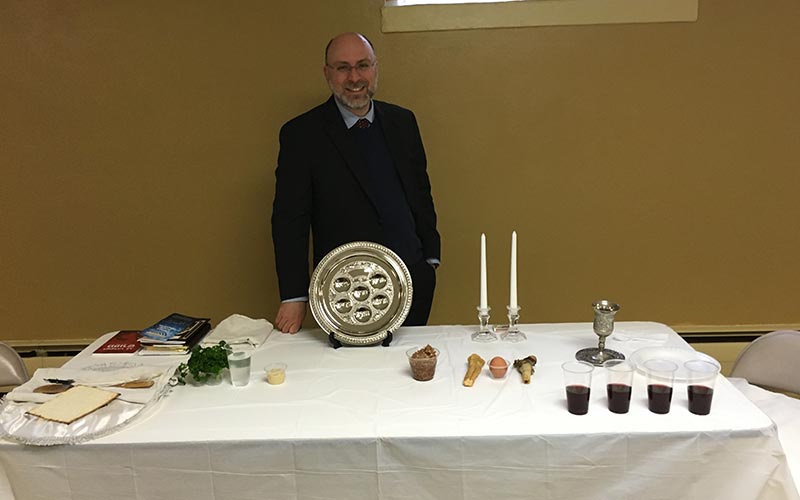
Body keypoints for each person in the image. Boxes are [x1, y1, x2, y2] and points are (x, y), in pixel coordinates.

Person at [271, 32, 440, 334]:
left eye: (363, 65)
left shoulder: (403, 122)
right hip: (345, 292)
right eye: (343, 68)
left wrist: (430, 257)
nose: (354, 77)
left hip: (412, 280)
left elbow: (419, 192)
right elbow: (290, 220)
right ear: (327, 73)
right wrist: (294, 295)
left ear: (375, 68)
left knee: (409, 363)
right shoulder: (302, 135)